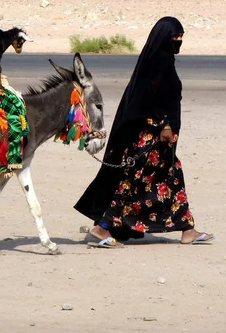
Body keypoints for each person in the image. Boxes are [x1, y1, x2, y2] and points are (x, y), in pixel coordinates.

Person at [74, 16, 215, 248]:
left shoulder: (162, 59)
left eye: (181, 37)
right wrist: (166, 126)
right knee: (134, 181)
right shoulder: (159, 62)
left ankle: (187, 229)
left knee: (169, 178)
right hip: (152, 138)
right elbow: (151, 100)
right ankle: (102, 227)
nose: (178, 41)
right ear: (164, 38)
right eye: (174, 37)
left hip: (161, 140)